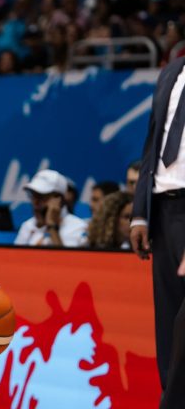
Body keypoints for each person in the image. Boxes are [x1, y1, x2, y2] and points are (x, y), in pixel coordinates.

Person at [130, 56, 185, 409]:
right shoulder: (171, 71)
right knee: (168, 318)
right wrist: (139, 214)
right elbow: (152, 145)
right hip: (165, 208)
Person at [14, 169, 87, 247]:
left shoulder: (78, 228)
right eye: (33, 195)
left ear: (59, 199)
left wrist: (52, 226)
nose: (35, 202)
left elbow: (65, 259)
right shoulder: (27, 226)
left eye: (41, 196)